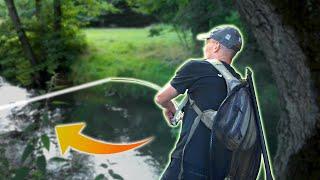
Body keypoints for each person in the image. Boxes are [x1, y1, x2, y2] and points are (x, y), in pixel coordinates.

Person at [154, 25, 243, 180]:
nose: (205, 46)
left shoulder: (197, 67)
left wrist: (171, 108)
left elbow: (162, 97)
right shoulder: (238, 82)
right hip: (220, 169)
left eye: (208, 42)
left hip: (188, 163)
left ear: (216, 46)